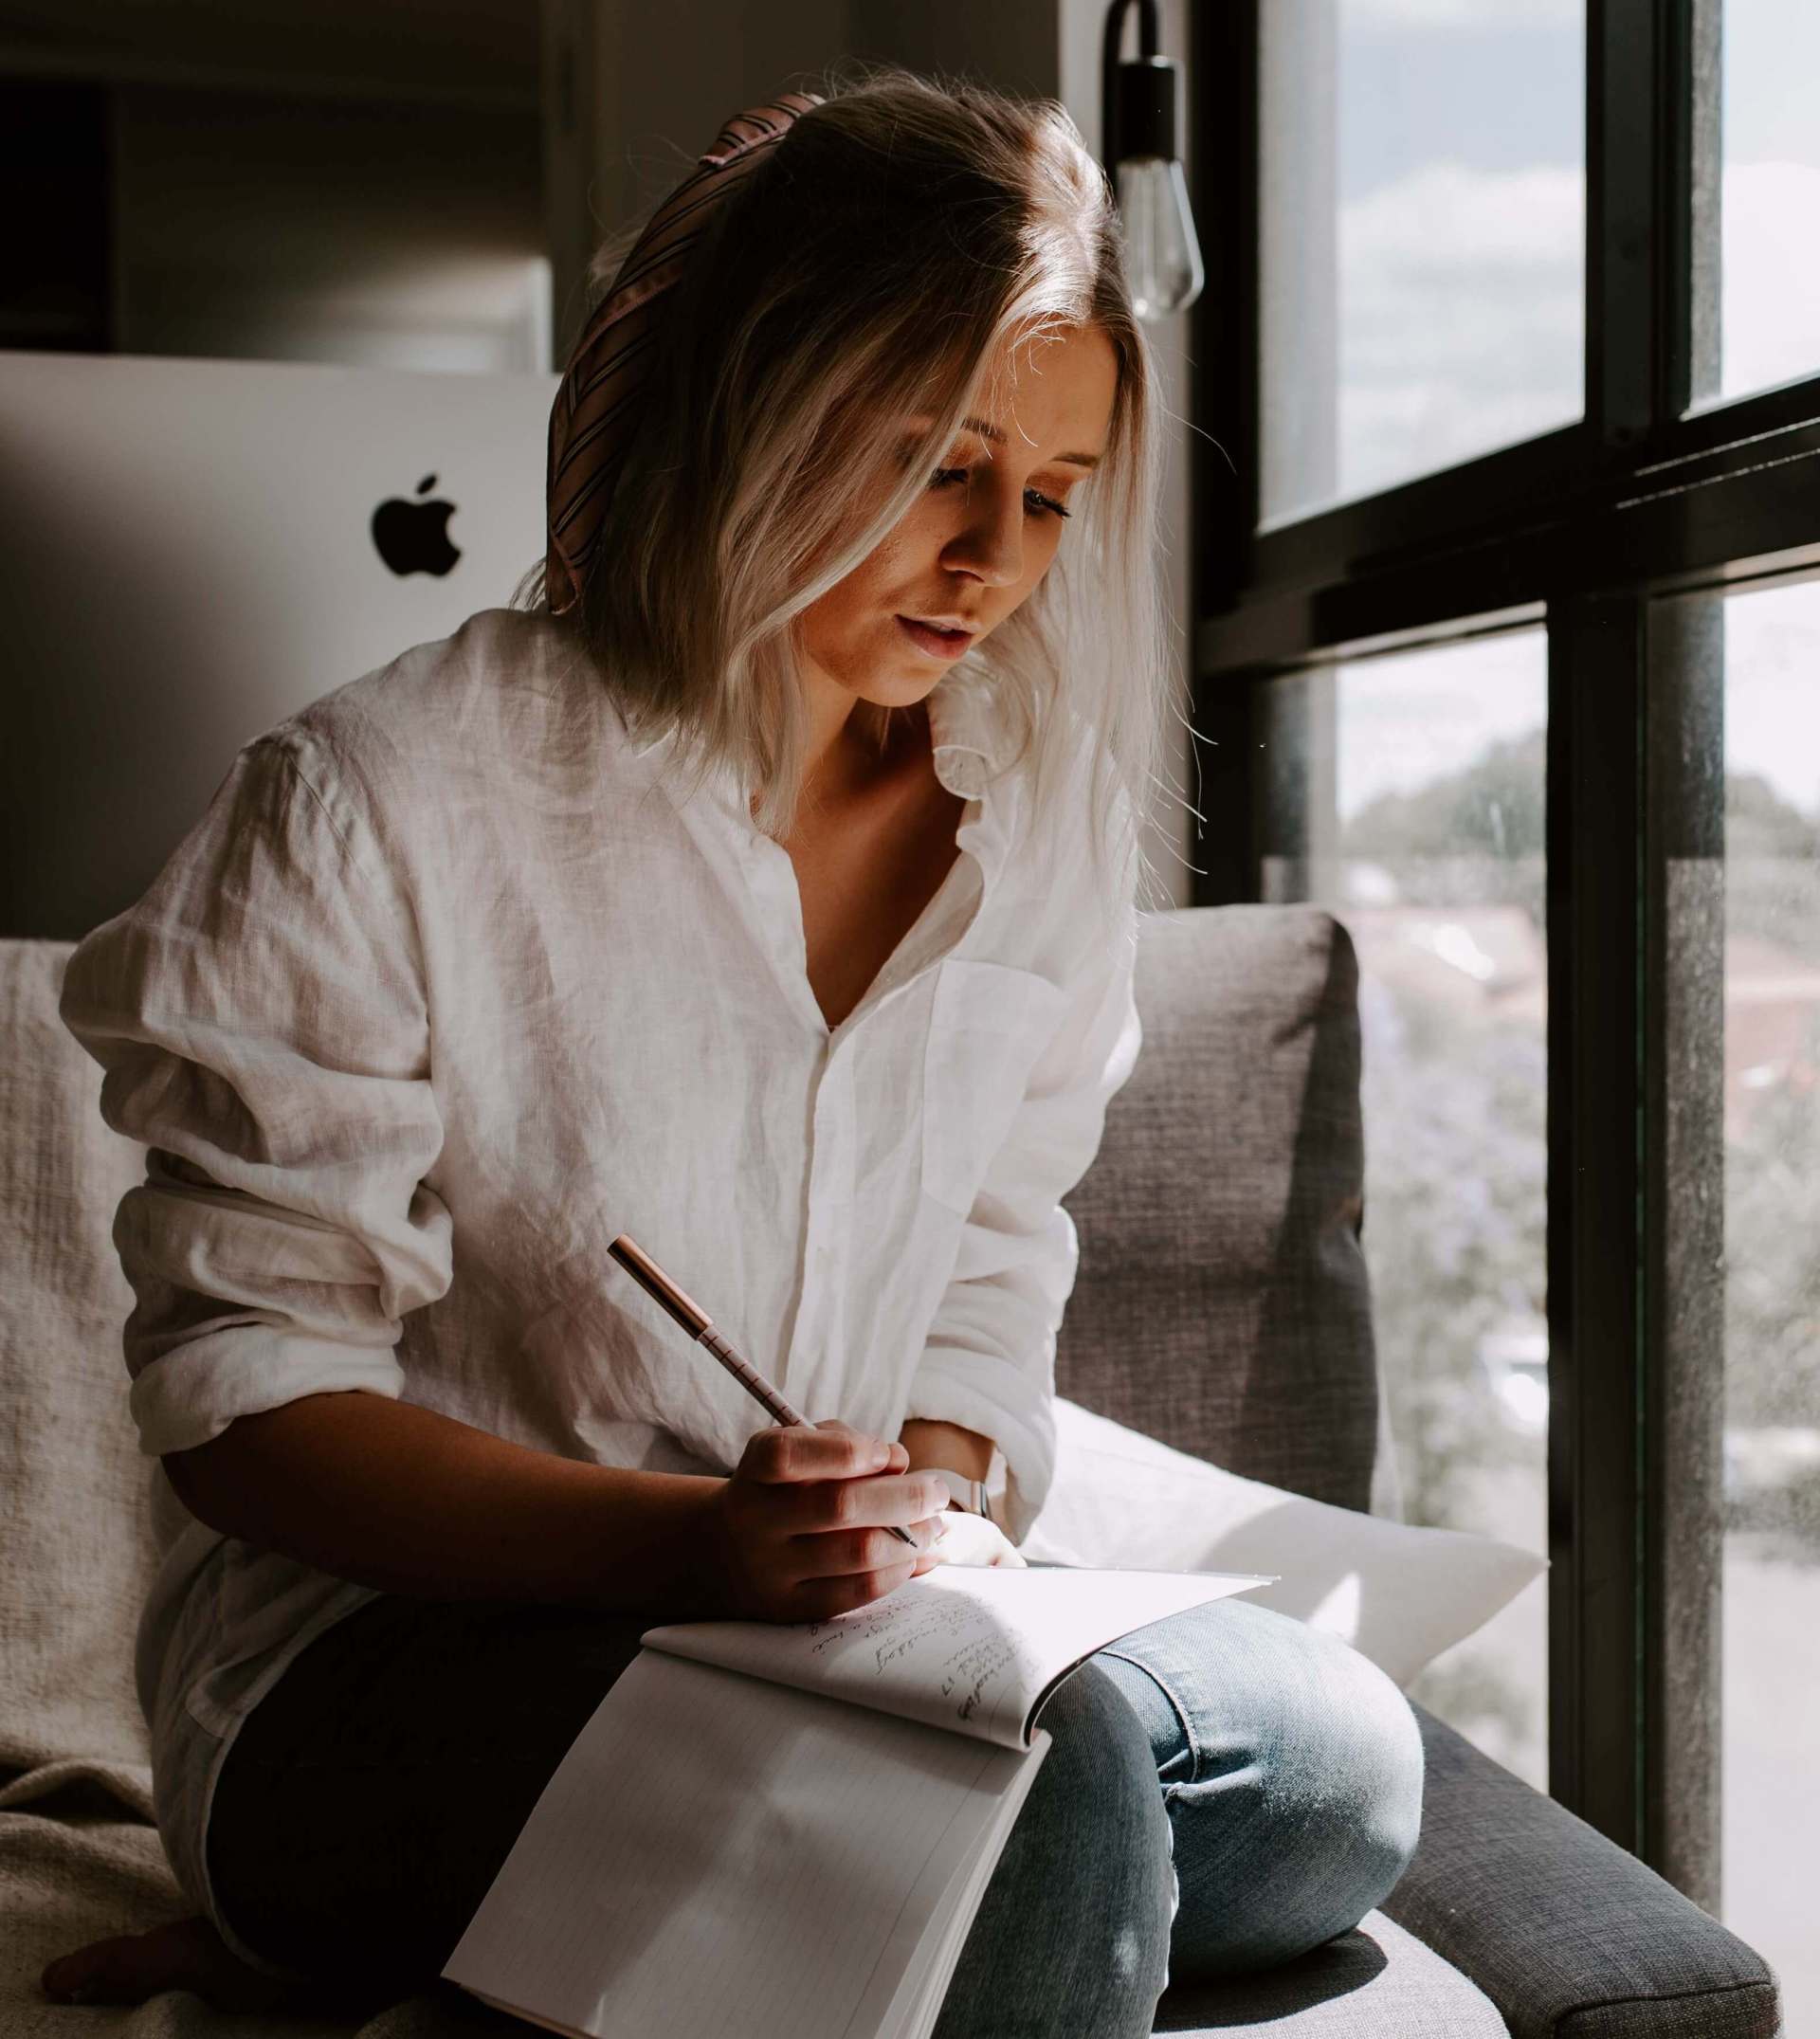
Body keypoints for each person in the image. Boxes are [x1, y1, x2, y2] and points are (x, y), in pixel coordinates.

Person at [42, 63, 1424, 2036]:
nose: (995, 559)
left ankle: (558, 1958)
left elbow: (987, 1259)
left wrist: (934, 1490)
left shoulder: (1029, 810)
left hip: (844, 1630)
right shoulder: (383, 798)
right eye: (939, 463)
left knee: (1344, 1769)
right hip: (391, 1669)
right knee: (1065, 1797)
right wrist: (701, 1541)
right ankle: (424, 1910)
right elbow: (254, 1407)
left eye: (1051, 495)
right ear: (757, 410)